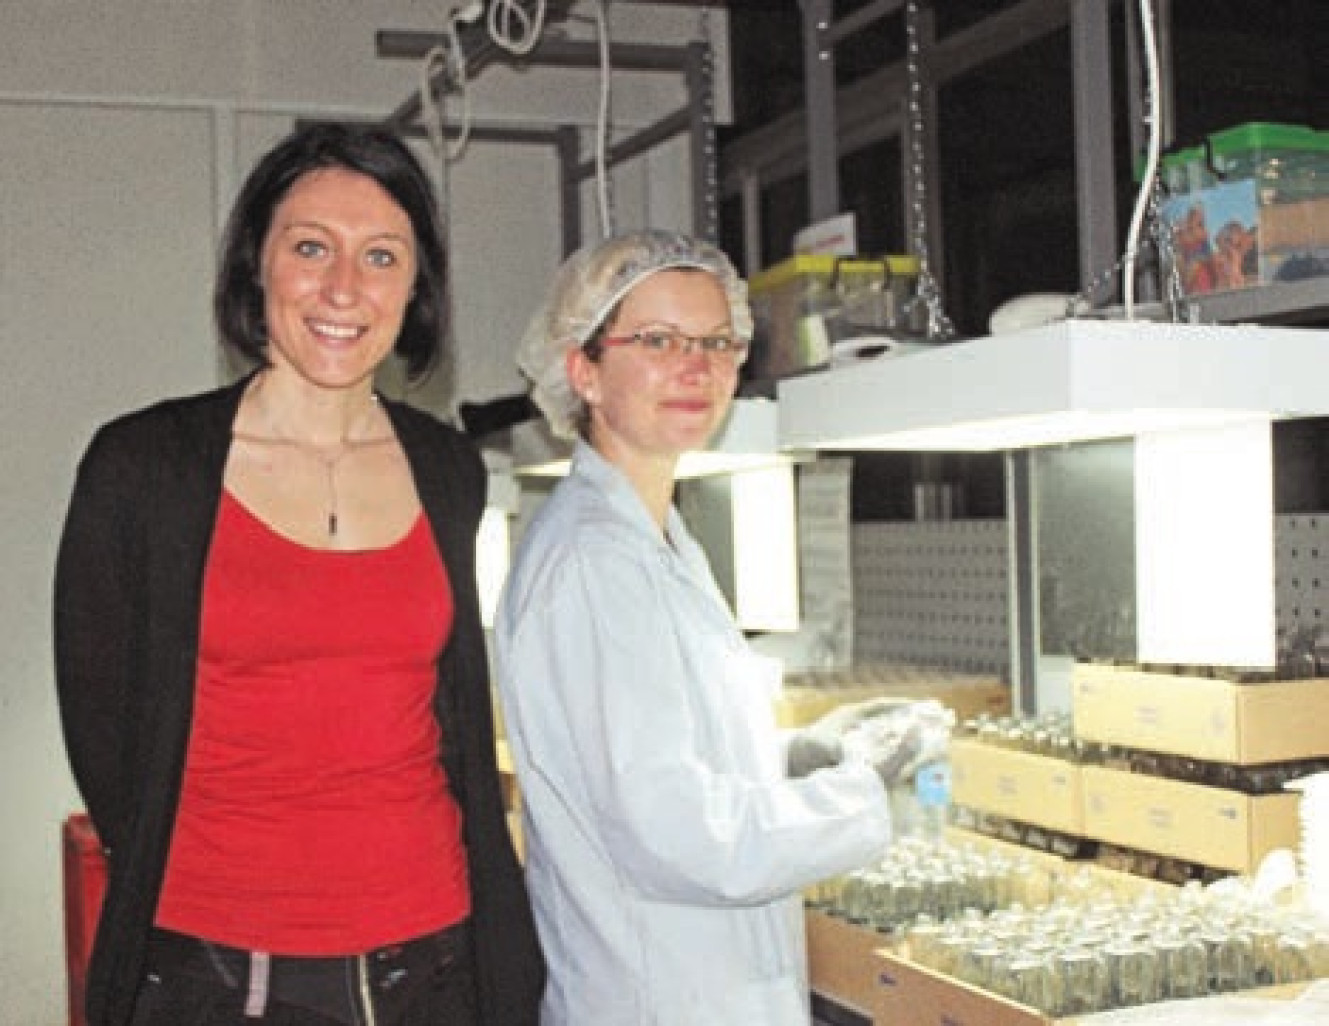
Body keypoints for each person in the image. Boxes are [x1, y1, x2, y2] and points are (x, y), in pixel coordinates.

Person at [54, 122, 544, 1026]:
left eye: (383, 256)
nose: (344, 289)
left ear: (416, 289)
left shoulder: (447, 467)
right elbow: (103, 726)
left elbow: (451, 714)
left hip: (431, 964)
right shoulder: (143, 467)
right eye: (312, 247)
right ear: (256, 266)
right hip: (216, 967)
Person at [494, 229, 921, 1025]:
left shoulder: (654, 537)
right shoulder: (596, 564)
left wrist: (800, 755)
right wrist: (862, 796)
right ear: (582, 369)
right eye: (656, 341)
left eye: (717, 340)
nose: (697, 367)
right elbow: (680, 834)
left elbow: (663, 761)